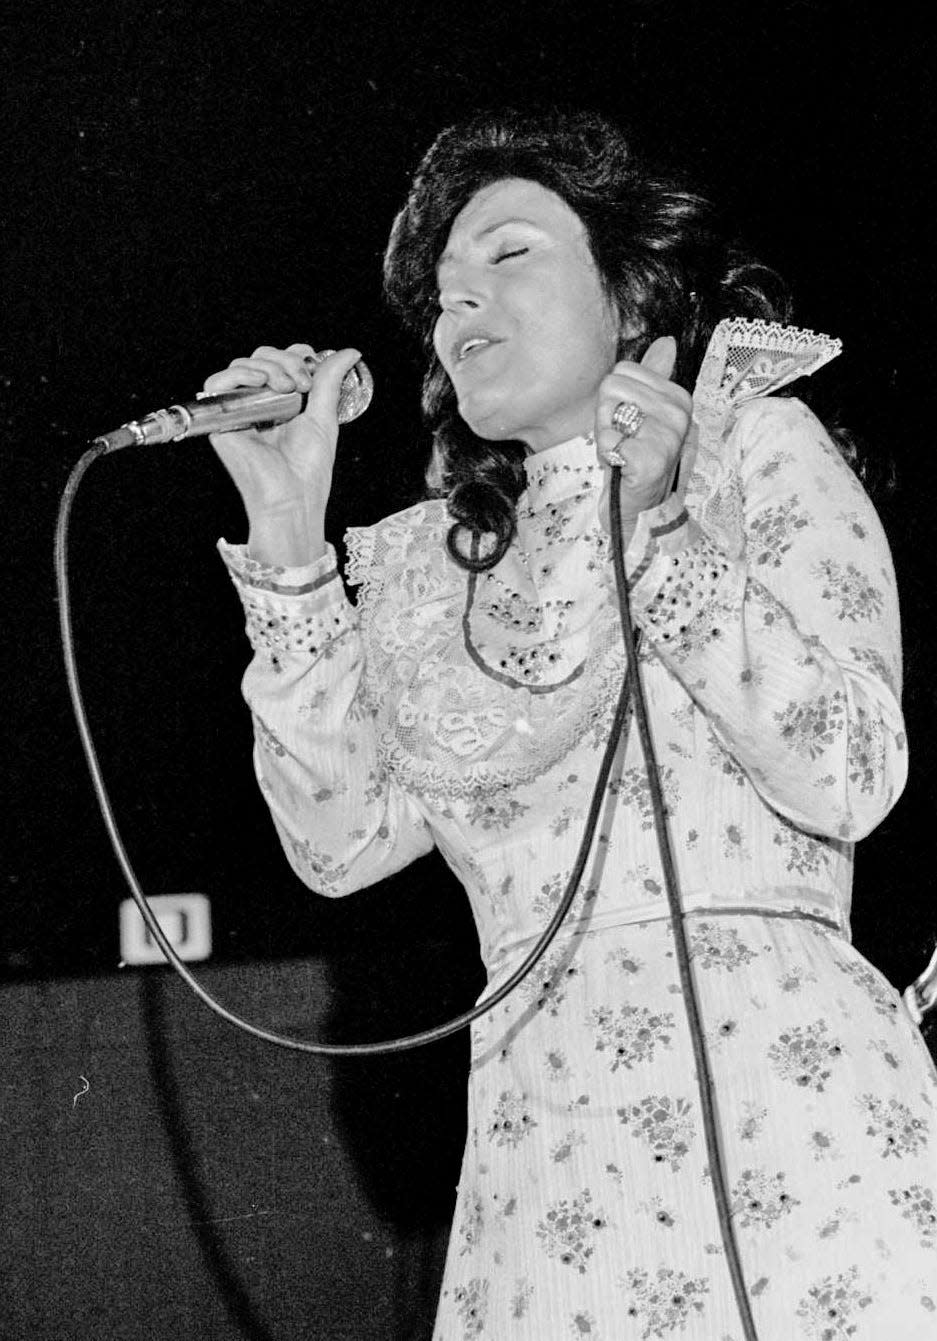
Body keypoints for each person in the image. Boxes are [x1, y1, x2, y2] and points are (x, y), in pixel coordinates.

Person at [205, 109, 936, 1339]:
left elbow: (852, 770)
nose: (461, 307)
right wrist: (289, 543)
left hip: (782, 1113)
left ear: (629, 289)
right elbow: (336, 846)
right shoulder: (438, 568)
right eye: (441, 294)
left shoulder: (750, 447)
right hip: (544, 1158)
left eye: (510, 256)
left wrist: (659, 537)